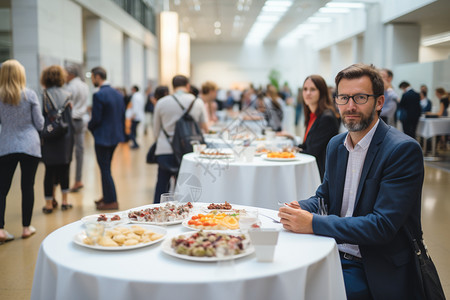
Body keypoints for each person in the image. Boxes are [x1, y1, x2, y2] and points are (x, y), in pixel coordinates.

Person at [279, 64, 426, 299]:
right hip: (330, 253)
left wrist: (313, 223)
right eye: (343, 97)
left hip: (373, 267)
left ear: (379, 102)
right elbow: (323, 198)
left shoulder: (402, 150)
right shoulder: (336, 145)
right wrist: (299, 208)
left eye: (360, 97)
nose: (350, 106)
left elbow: (381, 226)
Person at [0, 59, 44, 241]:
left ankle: (0, 230)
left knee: (2, 189)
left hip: (6, 145)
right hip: (29, 145)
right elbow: (40, 123)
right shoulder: (30, 95)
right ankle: (26, 228)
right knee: (27, 186)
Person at [153, 75, 207, 204]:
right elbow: (203, 127)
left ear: (173, 86)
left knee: (162, 184)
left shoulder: (162, 102)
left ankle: (156, 214)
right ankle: (183, 215)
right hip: (188, 150)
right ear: (188, 85)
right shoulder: (197, 102)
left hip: (165, 149)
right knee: (184, 187)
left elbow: (156, 129)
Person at [88, 66, 125, 210]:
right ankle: (107, 195)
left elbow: (96, 118)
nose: (92, 80)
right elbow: (122, 115)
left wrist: (89, 127)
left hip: (102, 137)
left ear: (97, 77)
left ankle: (111, 201)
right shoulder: (118, 94)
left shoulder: (99, 95)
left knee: (104, 169)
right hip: (115, 136)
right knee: (106, 167)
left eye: (92, 77)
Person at [40, 65, 74, 214]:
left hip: (49, 136)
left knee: (49, 171)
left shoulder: (44, 95)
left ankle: (49, 203)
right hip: (65, 137)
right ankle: (65, 202)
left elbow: (41, 118)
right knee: (64, 169)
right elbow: (69, 119)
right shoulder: (68, 94)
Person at [298, 75, 339, 180]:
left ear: (321, 92)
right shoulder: (313, 115)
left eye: (312, 89)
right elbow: (307, 144)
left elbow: (312, 151)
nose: (308, 93)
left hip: (321, 175)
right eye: (305, 89)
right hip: (313, 169)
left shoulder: (326, 118)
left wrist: (292, 152)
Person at [65, 65, 89, 193]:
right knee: (80, 151)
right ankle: (78, 179)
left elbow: (67, 104)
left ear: (71, 74)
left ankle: (65, 183)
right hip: (81, 120)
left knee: (67, 152)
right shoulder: (84, 85)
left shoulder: (70, 87)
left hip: (71, 120)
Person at [128, 85, 145, 149]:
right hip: (139, 115)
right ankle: (135, 143)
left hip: (135, 116)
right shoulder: (140, 96)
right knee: (134, 131)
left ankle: (135, 144)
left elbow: (135, 107)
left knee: (132, 131)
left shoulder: (135, 96)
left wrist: (133, 115)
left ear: (134, 90)